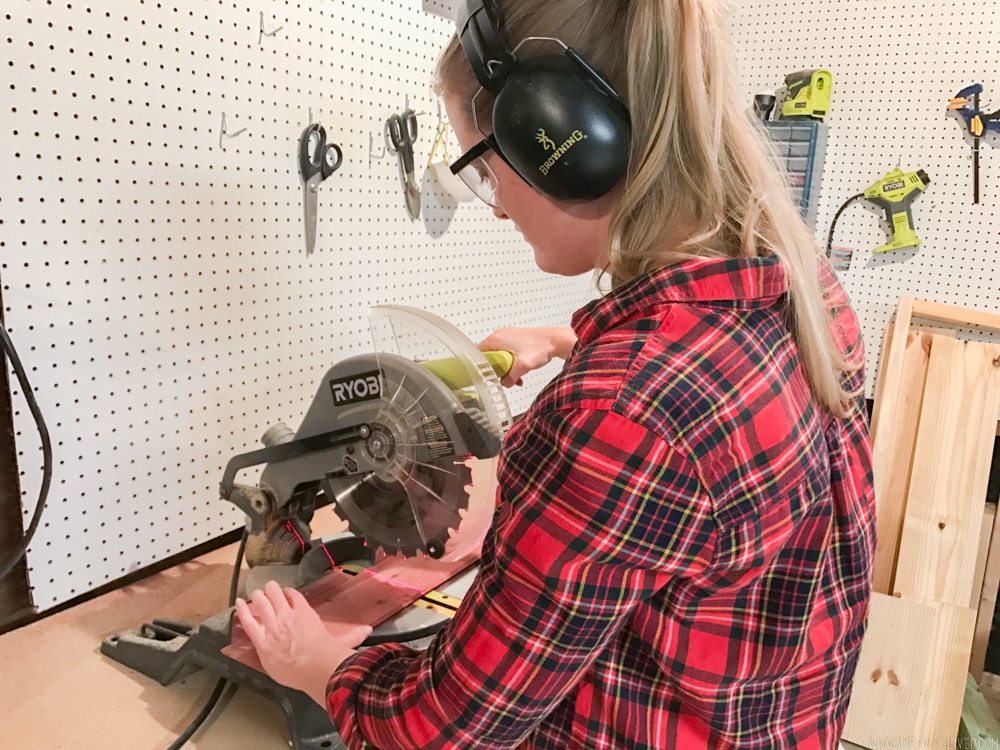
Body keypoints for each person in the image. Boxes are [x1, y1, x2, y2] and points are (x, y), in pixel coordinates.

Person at [234, 1, 876, 748]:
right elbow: (705, 408)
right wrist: (580, 342)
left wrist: (316, 664)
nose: (497, 209)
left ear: (562, 144)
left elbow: (439, 733)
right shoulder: (802, 290)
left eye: (482, 166)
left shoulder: (621, 413)